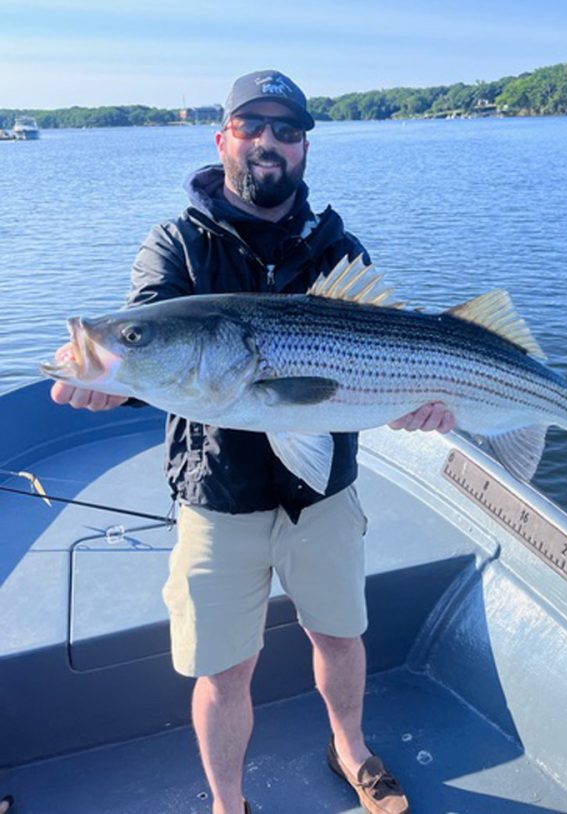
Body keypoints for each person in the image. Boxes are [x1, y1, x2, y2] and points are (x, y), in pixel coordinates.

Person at [50, 70, 455, 814]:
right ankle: (228, 803)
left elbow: (389, 364)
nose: (269, 141)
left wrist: (417, 404)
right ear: (223, 138)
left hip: (323, 494)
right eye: (252, 125)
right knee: (224, 669)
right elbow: (144, 318)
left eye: (288, 129)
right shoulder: (176, 243)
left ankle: (352, 751)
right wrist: (118, 366)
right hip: (217, 495)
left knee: (340, 637)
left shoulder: (338, 244)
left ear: (304, 147)